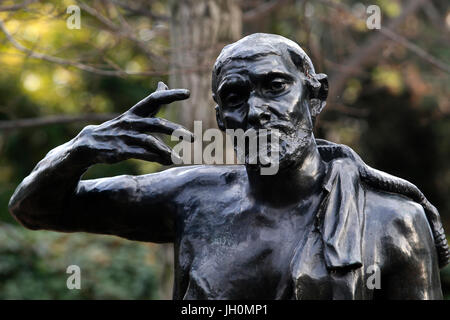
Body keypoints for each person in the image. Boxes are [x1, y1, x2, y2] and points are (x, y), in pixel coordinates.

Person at [9, 33, 448, 299]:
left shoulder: (392, 222)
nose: (256, 111)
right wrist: (82, 148)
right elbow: (34, 209)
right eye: (236, 97)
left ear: (315, 97)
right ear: (221, 118)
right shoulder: (192, 198)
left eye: (275, 87)